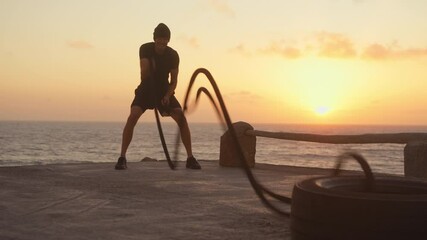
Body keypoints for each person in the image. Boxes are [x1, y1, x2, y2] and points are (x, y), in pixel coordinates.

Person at [115, 23, 201, 170]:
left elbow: (174, 81)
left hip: (163, 89)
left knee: (181, 118)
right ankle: (122, 157)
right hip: (147, 87)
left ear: (168, 41)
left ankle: (190, 158)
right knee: (133, 116)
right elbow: (143, 74)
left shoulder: (173, 55)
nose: (161, 44)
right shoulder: (145, 48)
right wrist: (148, 68)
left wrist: (168, 95)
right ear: (155, 40)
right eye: (159, 41)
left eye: (164, 41)